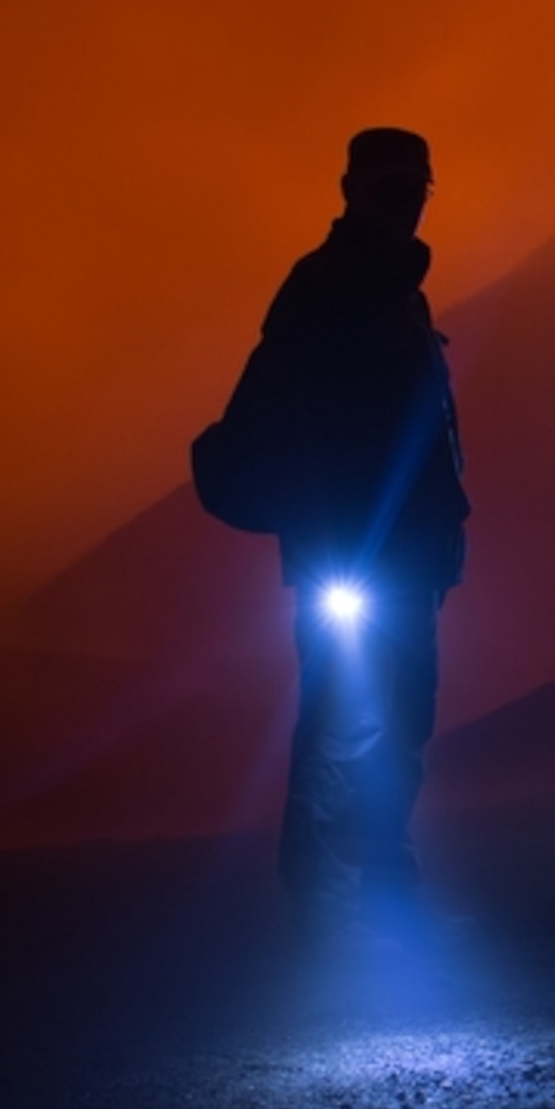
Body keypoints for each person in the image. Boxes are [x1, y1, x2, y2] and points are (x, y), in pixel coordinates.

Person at [208, 127, 469, 912]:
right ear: (351, 189)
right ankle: (326, 892)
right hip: (352, 551)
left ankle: (377, 874)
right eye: (391, 187)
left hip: (404, 549)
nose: (405, 203)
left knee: (398, 715)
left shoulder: (397, 294)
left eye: (414, 188)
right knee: (342, 719)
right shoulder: (322, 288)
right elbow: (288, 419)